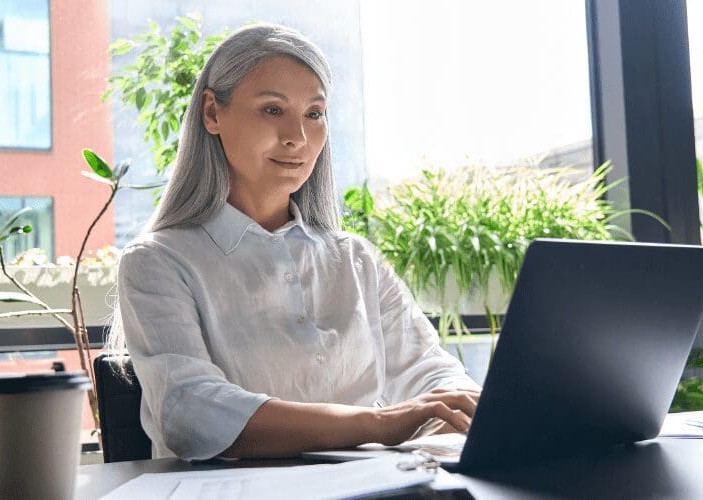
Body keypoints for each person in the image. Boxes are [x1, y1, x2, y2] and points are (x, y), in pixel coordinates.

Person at [111, 23, 480, 461]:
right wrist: (377, 423)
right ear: (212, 113)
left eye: (314, 114)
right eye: (272, 110)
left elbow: (431, 371)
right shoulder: (158, 263)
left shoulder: (356, 259)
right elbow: (191, 413)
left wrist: (469, 405)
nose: (298, 138)